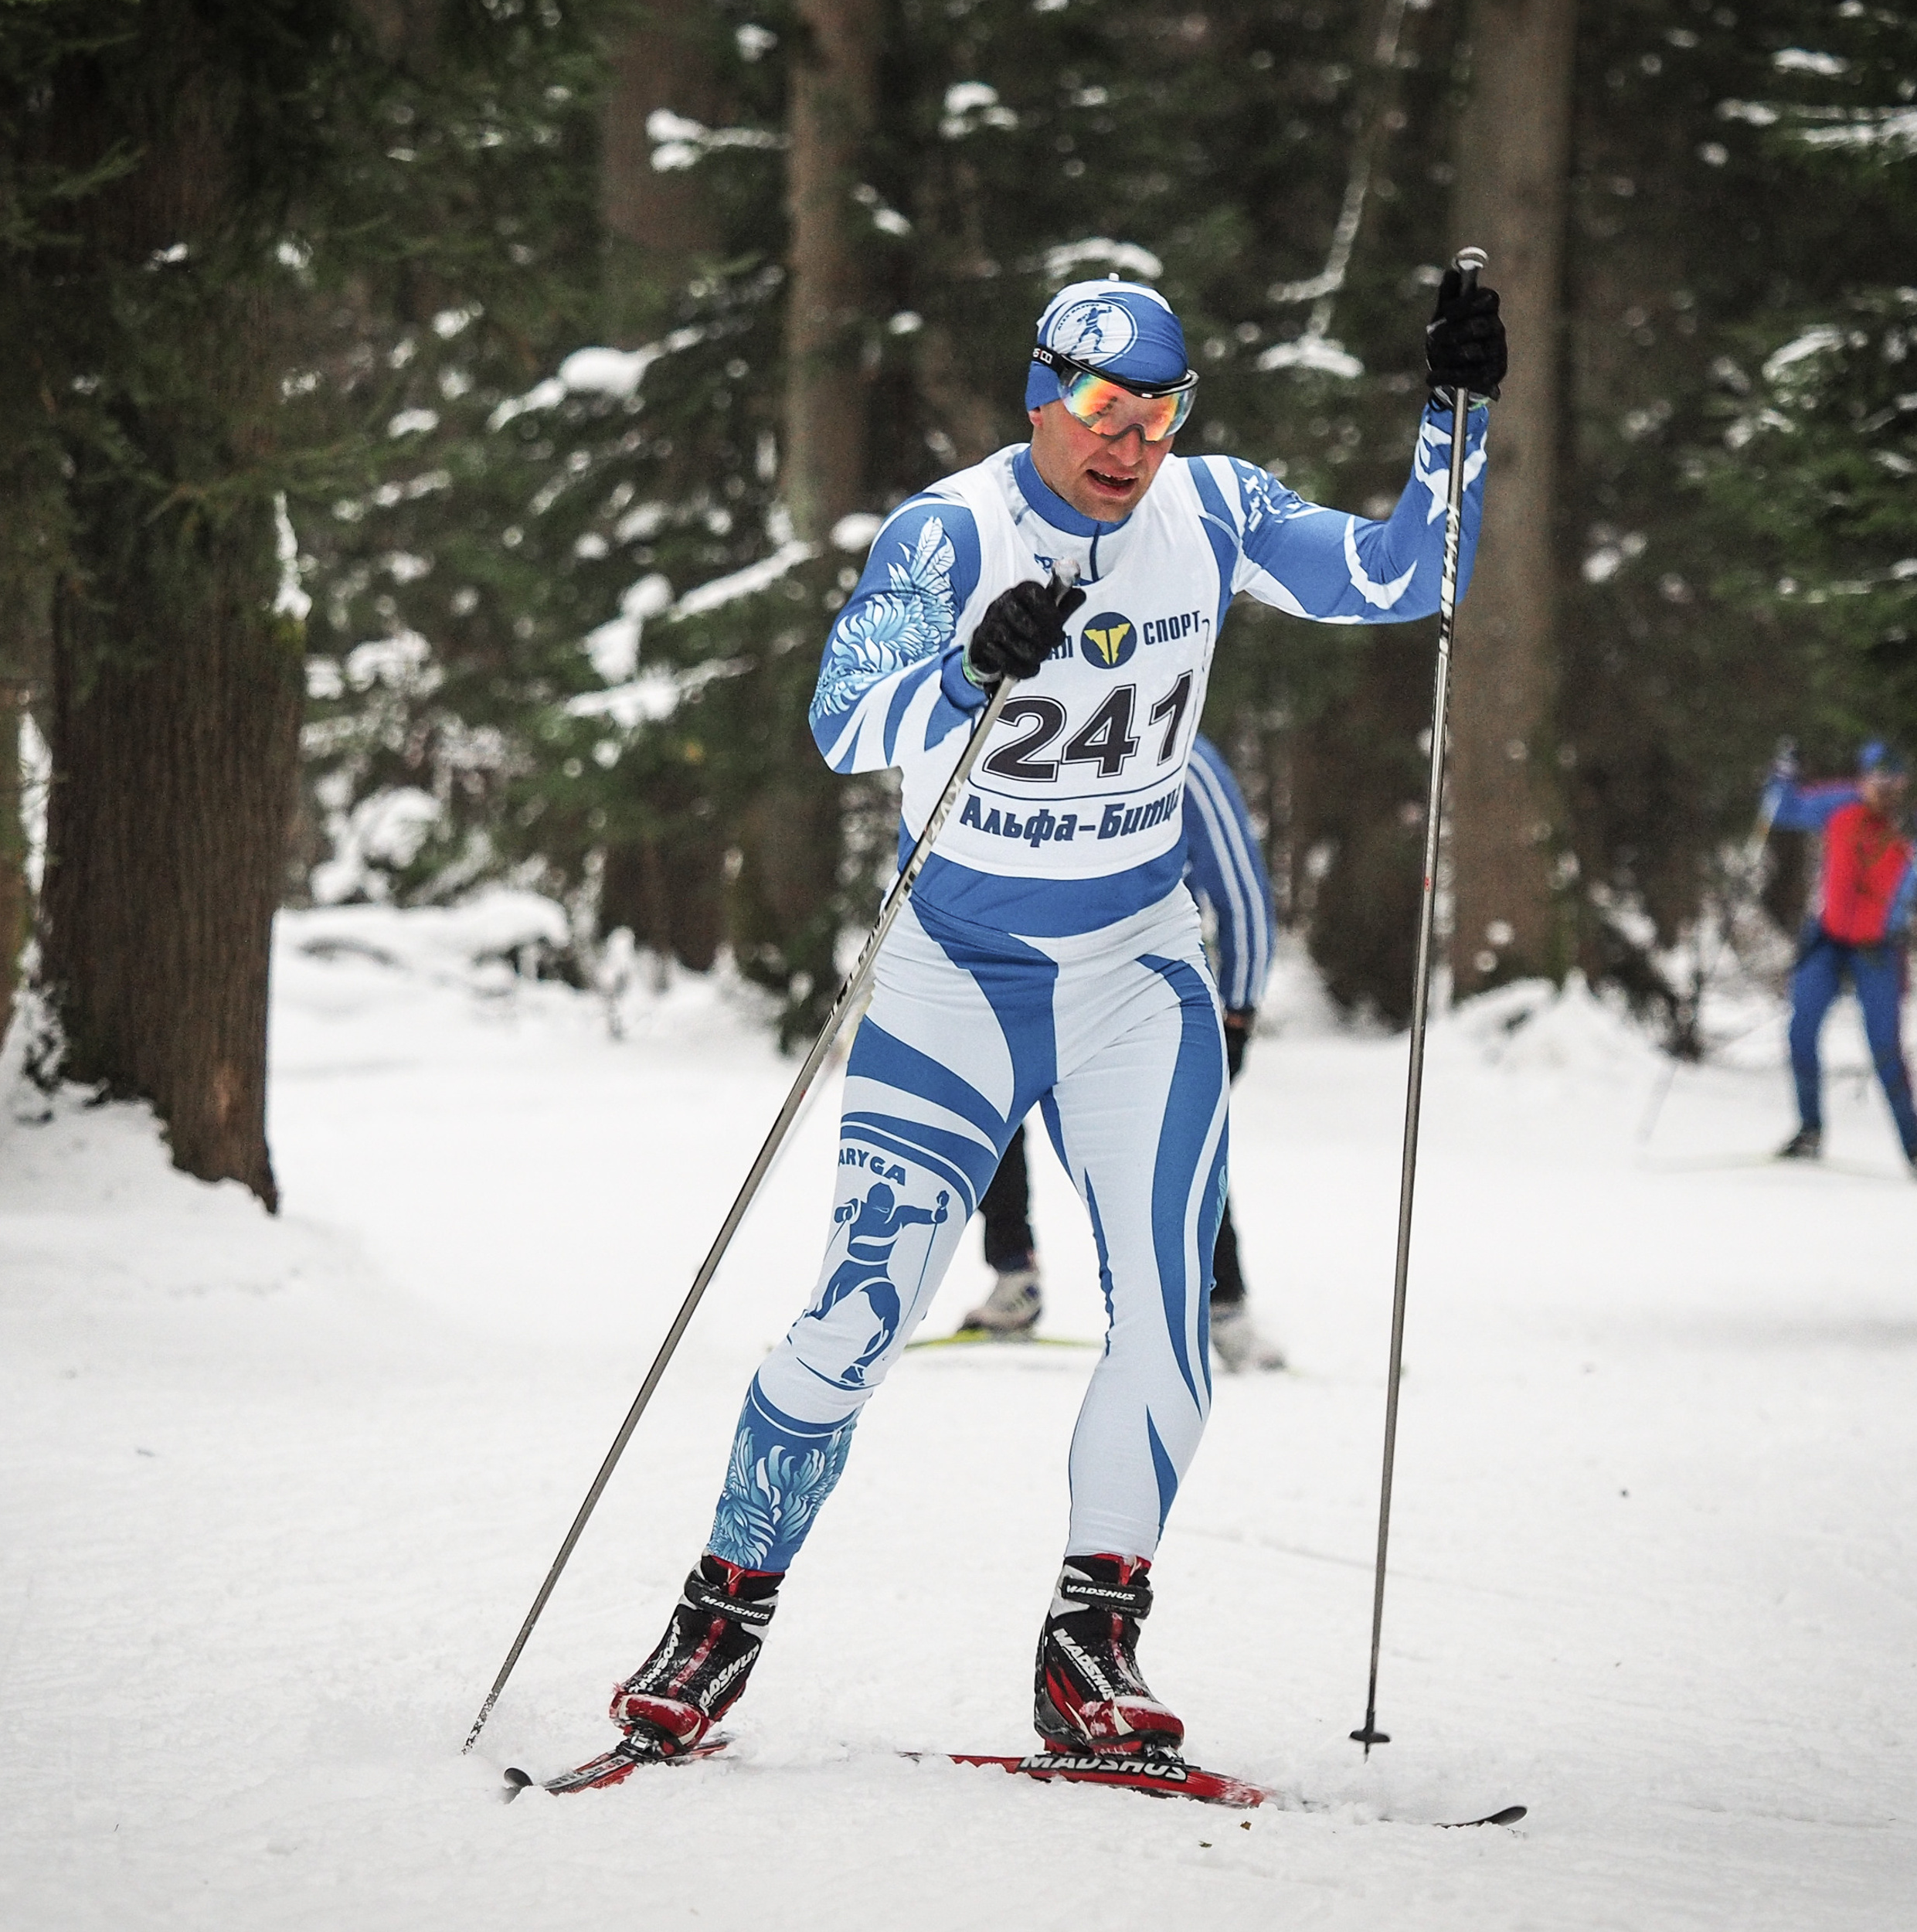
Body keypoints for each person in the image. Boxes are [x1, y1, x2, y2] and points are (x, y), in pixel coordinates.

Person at [608, 268, 1504, 1765]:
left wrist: (1452, 418)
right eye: (1098, 406)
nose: (1126, 439)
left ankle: (1091, 1645)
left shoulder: (1210, 511)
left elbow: (1407, 576)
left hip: (1128, 974)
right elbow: (840, 714)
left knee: (1166, 1317)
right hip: (949, 974)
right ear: (1038, 397)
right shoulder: (949, 528)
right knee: (853, 1315)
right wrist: (965, 669)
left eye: (1156, 411)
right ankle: (717, 1614)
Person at [961, 733, 1286, 1372]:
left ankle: (1225, 1309)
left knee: (1174, 1139)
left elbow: (1242, 891)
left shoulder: (1182, 753)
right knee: (983, 1107)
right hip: (1018, 972)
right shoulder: (1020, 734)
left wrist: (1240, 1009)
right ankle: (1013, 1276)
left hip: (1136, 990)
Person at [1764, 741, 1915, 1167]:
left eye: (1892, 782)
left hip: (1878, 951)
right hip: (1828, 940)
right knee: (1801, 1030)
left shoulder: (1907, 830)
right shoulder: (1839, 804)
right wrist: (1781, 775)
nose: (1882, 790)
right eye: (1875, 780)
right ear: (1863, 779)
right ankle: (1810, 1131)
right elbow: (1780, 808)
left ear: (1903, 784)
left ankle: (1914, 1145)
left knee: (1885, 1049)